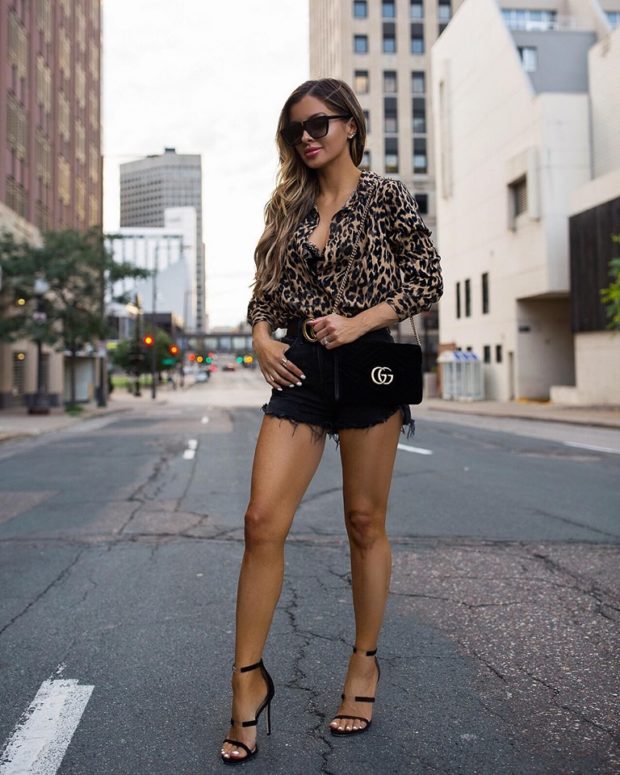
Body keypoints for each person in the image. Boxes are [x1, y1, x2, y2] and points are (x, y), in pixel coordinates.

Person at [220, 78, 442, 764]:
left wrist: (359, 321)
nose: (307, 137)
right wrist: (261, 337)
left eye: (318, 123)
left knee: (363, 521)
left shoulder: (385, 197)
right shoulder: (288, 205)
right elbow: (265, 292)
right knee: (261, 520)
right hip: (302, 370)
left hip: (371, 364)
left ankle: (364, 663)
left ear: (350, 125)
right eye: (295, 130)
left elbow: (426, 277)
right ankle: (247, 680)